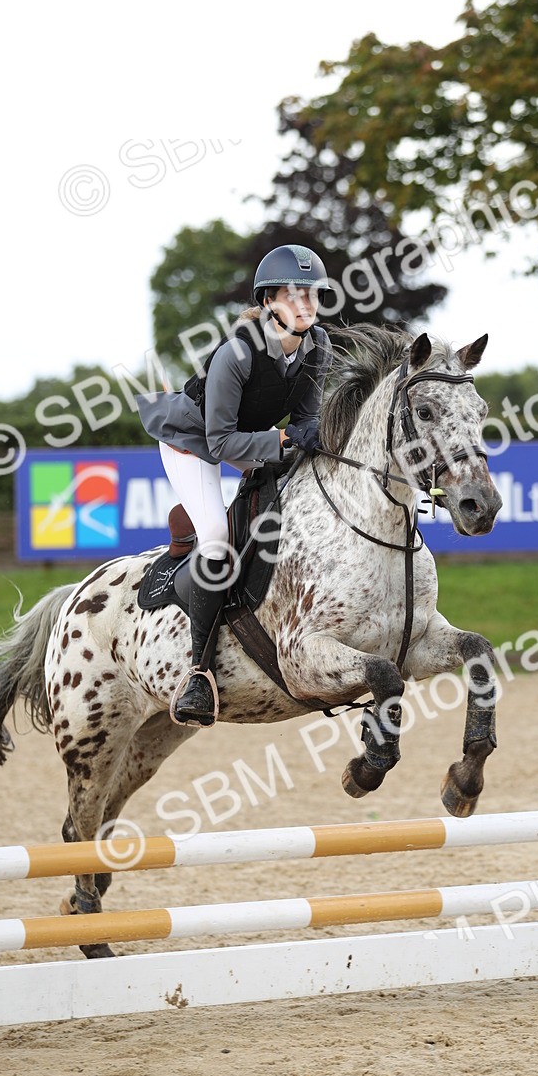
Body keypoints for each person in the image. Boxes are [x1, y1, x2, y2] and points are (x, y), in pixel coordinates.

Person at [137, 243, 333, 727]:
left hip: (250, 440)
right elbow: (221, 443)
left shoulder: (318, 345)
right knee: (219, 541)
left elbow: (308, 420)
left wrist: (304, 439)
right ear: (269, 301)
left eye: (312, 293)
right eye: (294, 294)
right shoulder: (237, 353)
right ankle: (198, 673)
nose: (306, 303)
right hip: (193, 442)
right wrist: (286, 437)